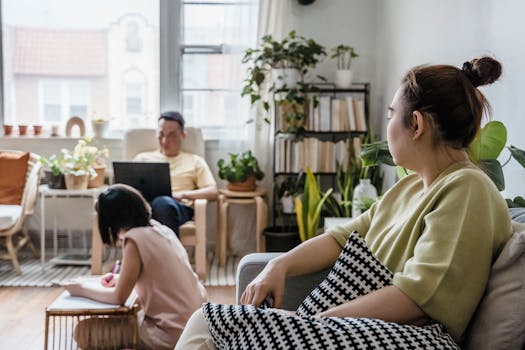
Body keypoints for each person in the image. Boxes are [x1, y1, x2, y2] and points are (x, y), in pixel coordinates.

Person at [176, 56, 513, 349]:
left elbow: (419, 297)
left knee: (210, 323)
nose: (387, 125)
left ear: (416, 124)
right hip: (370, 331)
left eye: (391, 115)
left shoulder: (468, 188)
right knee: (216, 326)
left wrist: (314, 321)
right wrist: (278, 266)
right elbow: (343, 237)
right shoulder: (410, 187)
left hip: (414, 338)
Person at [65, 184, 207, 349]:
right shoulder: (162, 229)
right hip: (193, 329)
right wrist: (120, 277)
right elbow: (157, 275)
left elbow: (118, 298)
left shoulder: (134, 239)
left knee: (83, 331)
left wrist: (80, 288)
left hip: (169, 335)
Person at [134, 111, 217, 236]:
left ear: (183, 135)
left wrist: (181, 194)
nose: (165, 140)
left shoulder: (195, 161)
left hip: (177, 207)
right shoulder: (142, 159)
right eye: (161, 134)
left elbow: (212, 192)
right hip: (144, 207)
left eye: (171, 135)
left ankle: (166, 255)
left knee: (163, 203)